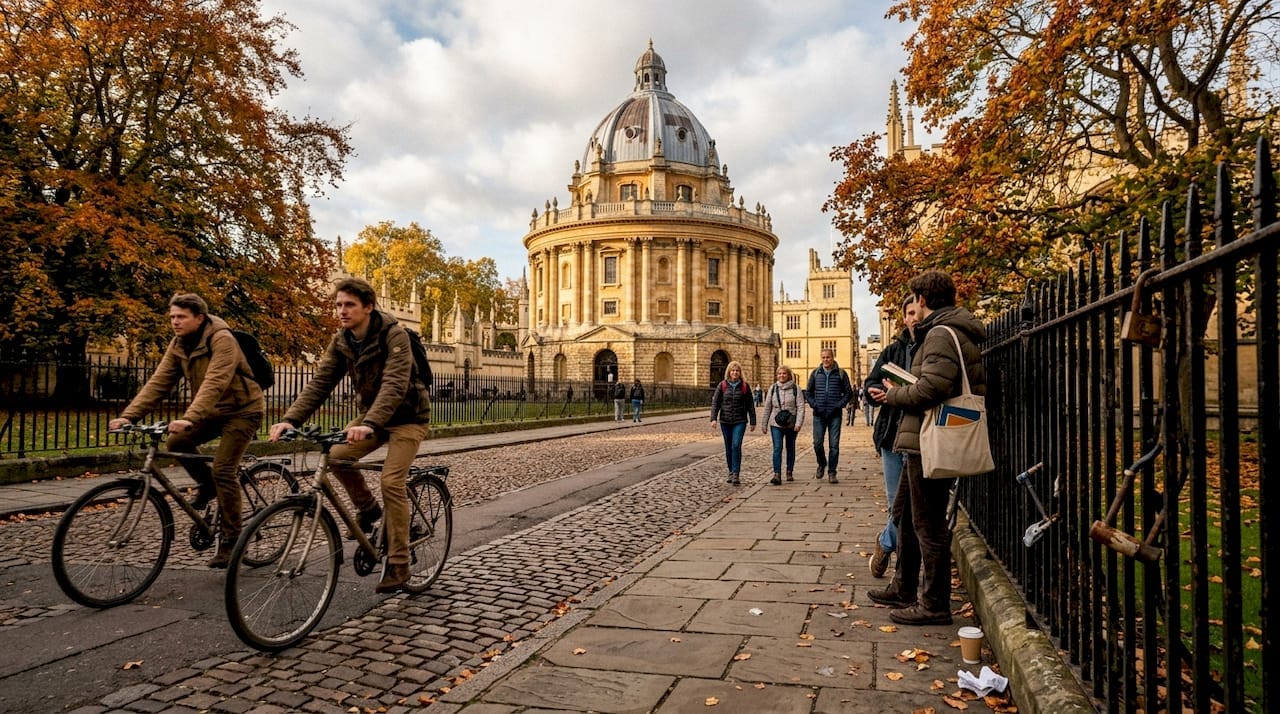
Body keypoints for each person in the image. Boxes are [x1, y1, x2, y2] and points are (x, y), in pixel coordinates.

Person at [268, 277, 432, 594]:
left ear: (368, 307)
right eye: (338, 305)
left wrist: (369, 423)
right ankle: (370, 510)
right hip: (372, 418)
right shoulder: (342, 341)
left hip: (408, 417)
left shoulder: (394, 335)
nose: (341, 311)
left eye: (349, 305)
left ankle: (399, 563)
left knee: (391, 480)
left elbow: (395, 385)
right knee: (336, 458)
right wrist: (290, 419)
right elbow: (320, 383)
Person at [110, 293, 265, 568]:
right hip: (211, 411)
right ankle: (207, 486)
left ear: (200, 318)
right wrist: (129, 416)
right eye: (172, 317)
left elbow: (215, 381)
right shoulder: (179, 344)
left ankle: (231, 540)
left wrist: (190, 416)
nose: (174, 322)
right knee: (176, 443)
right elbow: (159, 381)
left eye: (181, 317)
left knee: (223, 470)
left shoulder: (222, 340)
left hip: (243, 410)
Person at [868, 270, 986, 626]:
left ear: (922, 298)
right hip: (918, 440)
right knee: (904, 516)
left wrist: (894, 394)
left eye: (914, 300)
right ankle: (903, 587)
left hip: (930, 441)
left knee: (927, 522)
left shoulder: (940, 333)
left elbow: (931, 389)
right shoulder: (947, 330)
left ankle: (934, 603)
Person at [864, 294, 921, 579]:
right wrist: (876, 393)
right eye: (908, 313)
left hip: (923, 437)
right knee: (895, 504)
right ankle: (902, 573)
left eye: (917, 311)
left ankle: (886, 543)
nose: (913, 318)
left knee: (913, 507)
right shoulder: (893, 350)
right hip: (892, 435)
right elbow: (871, 383)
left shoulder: (931, 347)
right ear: (904, 317)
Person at [804, 348, 854, 483]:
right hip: (819, 414)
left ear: (833, 358)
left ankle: (832, 472)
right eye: (823, 357)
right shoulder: (815, 373)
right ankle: (822, 463)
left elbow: (849, 393)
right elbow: (808, 393)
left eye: (828, 357)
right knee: (817, 443)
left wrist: (839, 405)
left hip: (835, 414)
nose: (826, 360)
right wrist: (815, 405)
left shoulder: (841, 374)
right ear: (821, 359)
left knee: (834, 445)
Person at [710, 361, 756, 485]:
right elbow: (716, 403)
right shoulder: (722, 385)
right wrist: (713, 418)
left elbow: (750, 405)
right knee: (729, 447)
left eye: (737, 371)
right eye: (733, 370)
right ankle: (730, 471)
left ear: (740, 373)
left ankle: (736, 473)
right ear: (729, 372)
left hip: (740, 420)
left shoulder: (745, 386)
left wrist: (753, 421)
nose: (735, 373)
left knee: (736, 445)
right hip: (725, 421)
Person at [759, 365, 804, 485]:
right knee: (777, 448)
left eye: (784, 373)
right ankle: (777, 474)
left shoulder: (795, 388)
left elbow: (800, 407)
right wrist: (764, 424)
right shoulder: (773, 388)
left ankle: (789, 471)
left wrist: (798, 423)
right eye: (779, 374)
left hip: (791, 423)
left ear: (788, 375)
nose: (781, 376)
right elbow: (768, 406)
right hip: (776, 423)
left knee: (790, 448)